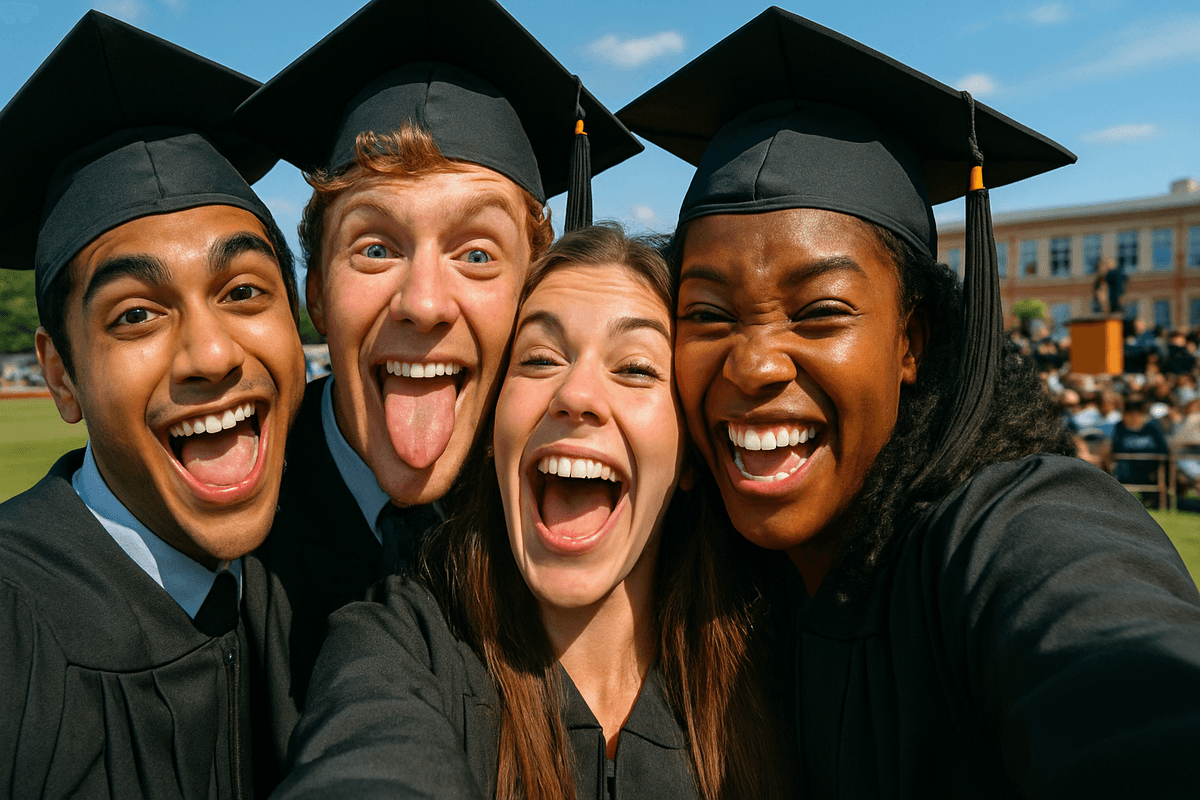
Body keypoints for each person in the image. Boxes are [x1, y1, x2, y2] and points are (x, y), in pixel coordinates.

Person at [619, 8, 1200, 797]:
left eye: (820, 311)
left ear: (912, 341)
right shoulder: (691, 574)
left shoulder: (1005, 529)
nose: (753, 364)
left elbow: (1130, 691)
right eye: (709, 314)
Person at [231, 0, 642, 785]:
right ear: (316, 290)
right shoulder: (222, 533)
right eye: (376, 247)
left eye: (479, 254)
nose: (424, 302)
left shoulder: (585, 516)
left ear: (536, 286)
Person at [274, 224, 793, 800]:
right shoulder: (400, 646)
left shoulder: (780, 669)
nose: (576, 395)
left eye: (636, 369)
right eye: (542, 359)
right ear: (495, 433)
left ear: (690, 456)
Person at [0, 12, 305, 798]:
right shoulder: (13, 623)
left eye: (243, 292)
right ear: (60, 376)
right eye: (136, 313)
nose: (211, 354)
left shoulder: (302, 587)